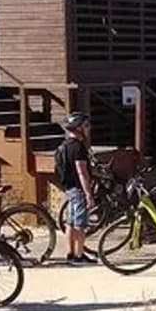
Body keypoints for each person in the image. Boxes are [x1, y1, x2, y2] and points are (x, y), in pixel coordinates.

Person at [56, 113, 96, 264]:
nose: (88, 129)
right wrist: (88, 194)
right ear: (78, 128)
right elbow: (82, 172)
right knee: (80, 223)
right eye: (86, 126)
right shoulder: (78, 147)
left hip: (68, 188)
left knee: (70, 222)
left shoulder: (65, 145)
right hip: (78, 189)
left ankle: (70, 253)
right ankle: (79, 255)